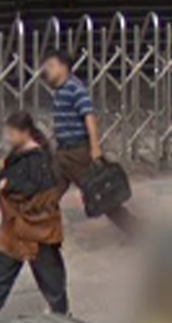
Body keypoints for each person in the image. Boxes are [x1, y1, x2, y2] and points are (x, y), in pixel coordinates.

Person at [0, 113, 69, 320]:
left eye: (12, 133)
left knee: (49, 274)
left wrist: (8, 184)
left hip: (36, 229)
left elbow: (36, 192)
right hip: (17, 227)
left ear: (24, 132)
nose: (9, 137)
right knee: (4, 273)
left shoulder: (38, 160)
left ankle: (60, 314)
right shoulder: (21, 153)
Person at [41, 52, 135, 236]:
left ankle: (132, 226)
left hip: (78, 153)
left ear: (64, 67)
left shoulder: (75, 89)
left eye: (51, 66)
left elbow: (89, 118)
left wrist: (95, 148)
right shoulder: (60, 91)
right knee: (50, 189)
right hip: (63, 153)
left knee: (99, 192)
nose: (47, 71)